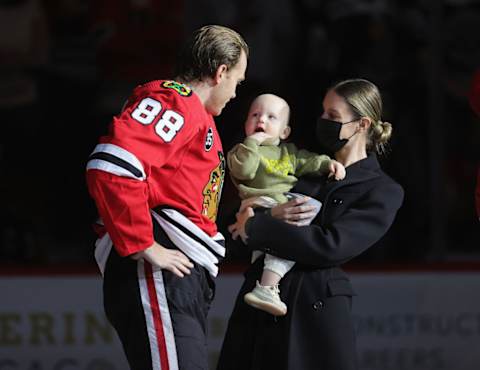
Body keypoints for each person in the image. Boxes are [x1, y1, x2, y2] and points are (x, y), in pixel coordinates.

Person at [85, 25, 248, 370]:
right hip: (158, 276)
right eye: (237, 80)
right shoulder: (176, 101)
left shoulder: (194, 114)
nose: (235, 93)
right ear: (220, 72)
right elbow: (113, 164)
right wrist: (143, 243)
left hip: (176, 279)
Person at [217, 78, 404, 370]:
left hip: (314, 317)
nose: (323, 121)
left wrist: (262, 226)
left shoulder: (382, 190)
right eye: (323, 113)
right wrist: (263, 218)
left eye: (333, 116)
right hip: (257, 311)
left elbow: (333, 245)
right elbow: (234, 226)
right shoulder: (301, 165)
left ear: (362, 124)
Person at [227, 93, 345, 316]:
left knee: (311, 208)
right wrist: (252, 142)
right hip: (257, 202)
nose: (261, 120)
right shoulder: (241, 151)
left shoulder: (287, 153)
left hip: (280, 203)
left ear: (284, 132)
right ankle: (267, 286)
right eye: (255, 115)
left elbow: (307, 161)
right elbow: (244, 170)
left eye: (271, 117)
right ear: (246, 124)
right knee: (294, 223)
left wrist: (329, 164)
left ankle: (266, 270)